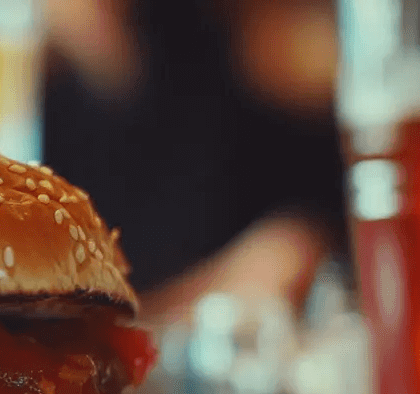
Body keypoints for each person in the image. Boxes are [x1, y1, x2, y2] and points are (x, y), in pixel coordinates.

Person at [39, 0, 347, 326]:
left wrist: (287, 245)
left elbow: (302, 229)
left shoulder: (209, 40)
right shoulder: (16, 99)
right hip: (167, 345)